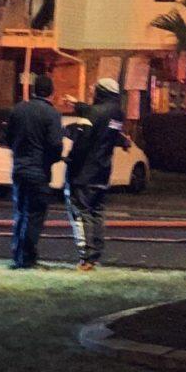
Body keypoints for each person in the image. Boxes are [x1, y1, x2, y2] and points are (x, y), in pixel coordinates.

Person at [64, 78, 130, 271]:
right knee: (97, 213)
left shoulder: (93, 114)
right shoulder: (117, 114)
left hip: (84, 173)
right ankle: (96, 254)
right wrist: (77, 104)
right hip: (103, 171)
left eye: (95, 89)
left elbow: (83, 140)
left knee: (81, 213)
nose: (92, 92)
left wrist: (69, 159)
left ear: (101, 92)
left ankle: (86, 257)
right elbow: (100, 118)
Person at [5, 73, 63, 270]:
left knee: (20, 212)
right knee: (35, 214)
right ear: (52, 93)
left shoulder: (19, 110)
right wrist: (52, 160)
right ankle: (27, 258)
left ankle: (17, 253)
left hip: (19, 168)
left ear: (33, 90)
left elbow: (8, 138)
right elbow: (55, 144)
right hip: (39, 171)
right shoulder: (52, 114)